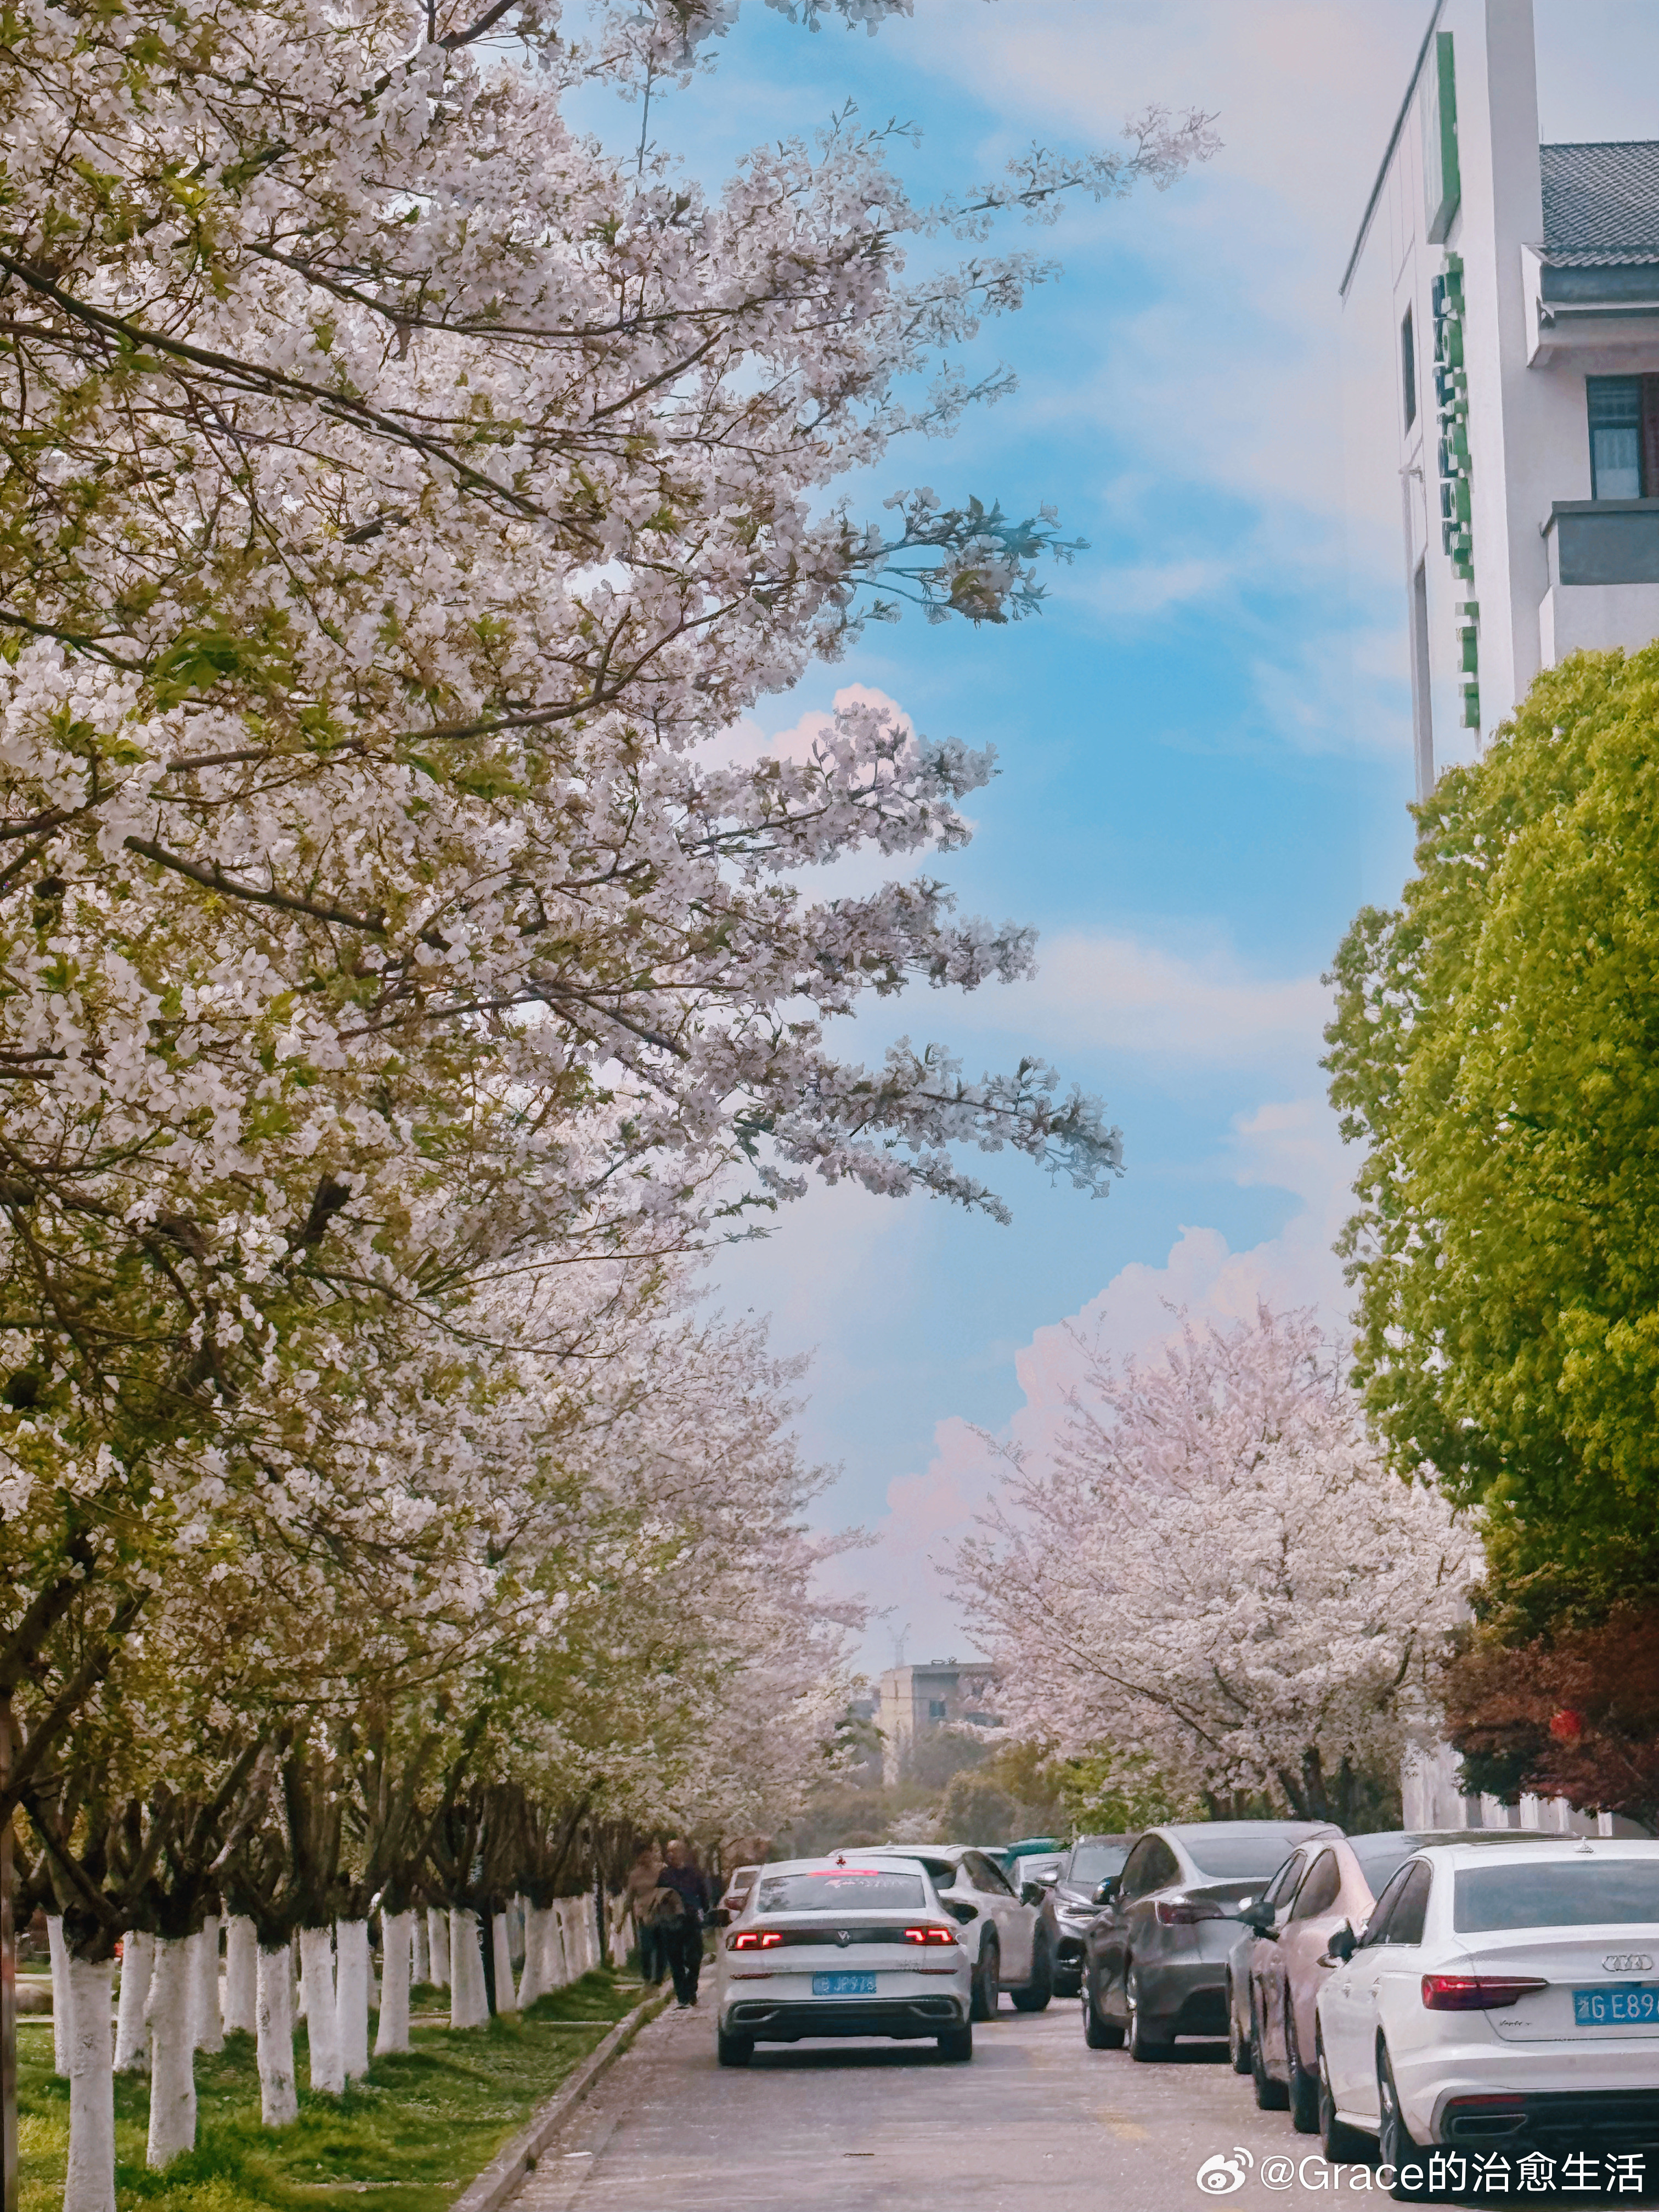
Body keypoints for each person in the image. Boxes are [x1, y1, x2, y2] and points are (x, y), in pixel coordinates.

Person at [655, 1837, 711, 2007]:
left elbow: (704, 1897)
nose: (672, 1854)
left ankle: (691, 1990)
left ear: (683, 1853)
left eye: (676, 1850)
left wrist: (703, 1910)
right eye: (669, 1851)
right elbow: (659, 1896)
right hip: (672, 1922)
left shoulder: (694, 1874)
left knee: (695, 1958)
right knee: (675, 1959)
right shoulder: (664, 1875)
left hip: (691, 1920)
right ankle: (682, 1997)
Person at [618, 1843, 665, 1984]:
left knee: (661, 1947)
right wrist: (621, 1920)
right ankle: (646, 1977)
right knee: (646, 1948)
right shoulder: (634, 1875)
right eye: (642, 1855)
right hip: (643, 1916)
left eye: (648, 1854)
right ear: (638, 1857)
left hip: (660, 1914)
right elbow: (629, 1898)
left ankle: (659, 1977)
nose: (646, 1858)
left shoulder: (660, 1871)